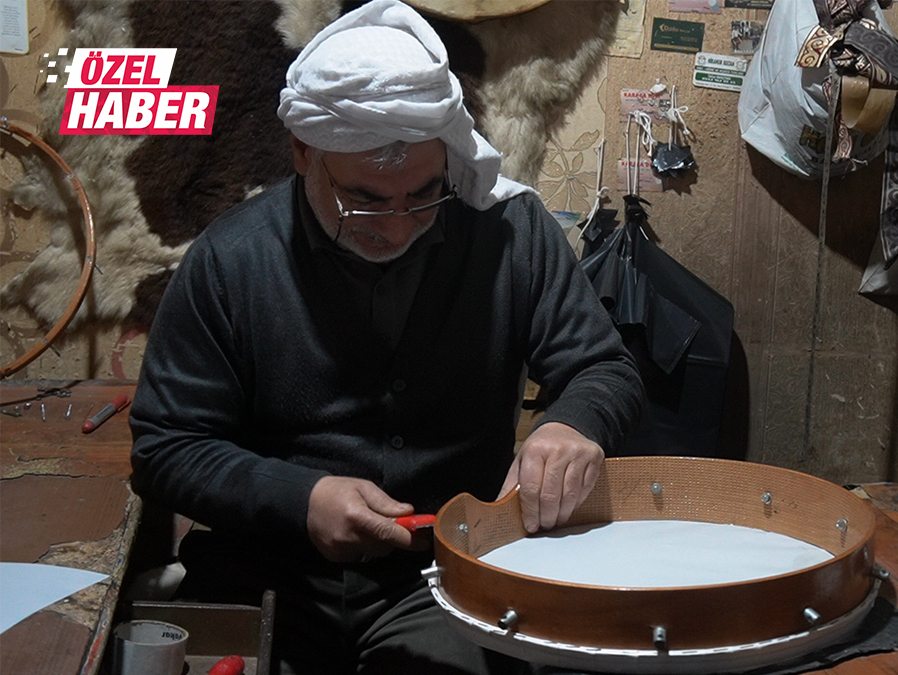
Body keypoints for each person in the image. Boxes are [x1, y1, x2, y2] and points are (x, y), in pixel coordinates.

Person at [128, 2, 643, 673]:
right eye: (365, 200)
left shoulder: (510, 232)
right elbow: (164, 449)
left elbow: (603, 367)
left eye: (424, 194)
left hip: (444, 576)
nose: (397, 227)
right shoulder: (232, 259)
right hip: (268, 567)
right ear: (303, 152)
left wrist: (574, 425)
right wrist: (299, 499)